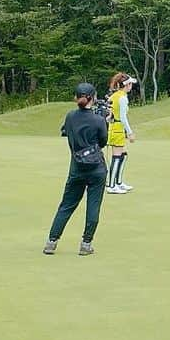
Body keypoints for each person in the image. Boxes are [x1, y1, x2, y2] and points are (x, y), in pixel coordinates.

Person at [44, 83, 109, 256]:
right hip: (97, 168)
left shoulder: (70, 116)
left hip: (77, 167)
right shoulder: (98, 120)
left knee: (66, 205)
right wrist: (104, 120)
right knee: (93, 206)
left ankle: (51, 242)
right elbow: (102, 141)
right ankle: (86, 244)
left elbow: (67, 133)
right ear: (92, 98)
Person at [106, 72, 137, 194]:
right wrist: (130, 133)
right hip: (117, 128)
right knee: (117, 156)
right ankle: (111, 185)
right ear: (126, 85)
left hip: (115, 127)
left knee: (123, 155)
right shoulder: (122, 98)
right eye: (130, 84)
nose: (131, 86)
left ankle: (118, 182)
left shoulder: (115, 95)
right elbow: (123, 117)